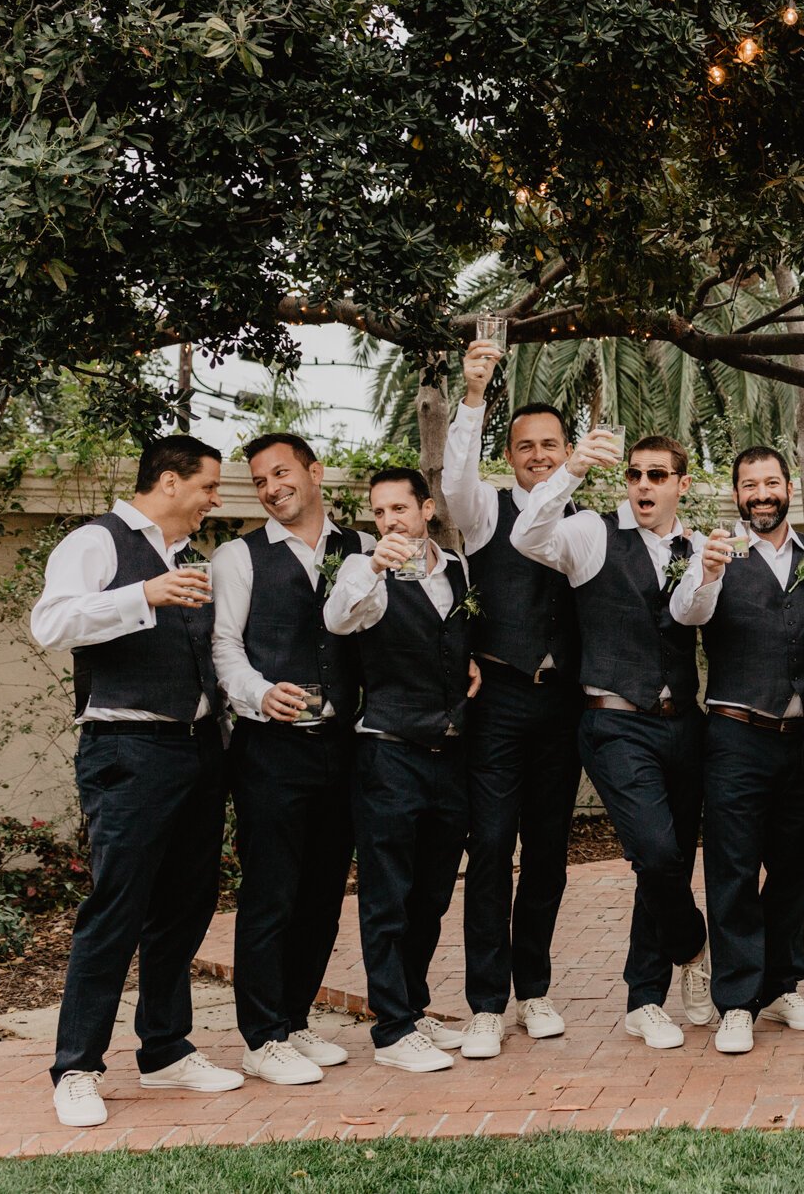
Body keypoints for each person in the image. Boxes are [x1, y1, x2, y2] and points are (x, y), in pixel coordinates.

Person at [30, 435, 238, 1127]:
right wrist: (141, 593)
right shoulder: (98, 543)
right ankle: (77, 1067)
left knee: (186, 903)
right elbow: (51, 621)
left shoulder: (189, 560)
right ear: (171, 481)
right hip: (128, 746)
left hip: (198, 748)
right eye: (209, 486)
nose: (215, 499)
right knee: (117, 906)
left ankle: (166, 1051)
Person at [511, 430, 723, 1049]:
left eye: (658, 476)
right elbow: (527, 535)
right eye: (635, 475)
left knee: (673, 862)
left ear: (682, 484)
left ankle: (644, 999)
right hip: (613, 722)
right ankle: (692, 942)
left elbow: (694, 615)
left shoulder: (700, 545)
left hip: (683, 723)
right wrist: (572, 469)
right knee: (654, 854)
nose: (644, 486)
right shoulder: (591, 534)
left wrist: (707, 574)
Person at [212, 433, 372, 1086]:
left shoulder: (359, 549)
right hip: (270, 749)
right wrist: (258, 691)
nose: (273, 487)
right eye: (260, 480)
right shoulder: (238, 556)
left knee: (325, 891)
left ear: (314, 471)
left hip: (344, 746)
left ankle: (295, 1017)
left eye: (282, 472)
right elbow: (224, 648)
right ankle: (260, 1034)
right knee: (271, 891)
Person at [442, 340, 583, 1059]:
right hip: (497, 697)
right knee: (493, 846)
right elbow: (453, 475)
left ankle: (535, 989)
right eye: (525, 445)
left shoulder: (587, 520)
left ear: (567, 449)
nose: (537, 454)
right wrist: (473, 395)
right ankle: (486, 1002)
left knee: (550, 853)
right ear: (509, 451)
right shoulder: (483, 511)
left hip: (563, 706)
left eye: (549, 444)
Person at [324, 468, 482, 1073]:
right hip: (389, 753)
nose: (390, 520)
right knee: (387, 897)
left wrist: (473, 666)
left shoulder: (458, 570)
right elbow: (338, 620)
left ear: (427, 508)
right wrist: (373, 566)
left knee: (433, 894)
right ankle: (391, 1031)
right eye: (379, 511)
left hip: (450, 756)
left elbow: (458, 639)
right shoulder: (363, 571)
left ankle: (413, 1010)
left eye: (399, 508)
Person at [678, 447, 804, 1055]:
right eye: (750, 485)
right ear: (735, 493)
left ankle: (778, 983)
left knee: (799, 865)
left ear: (789, 488)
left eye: (771, 483)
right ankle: (738, 1002)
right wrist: (708, 573)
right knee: (734, 868)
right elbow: (685, 610)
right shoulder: (712, 553)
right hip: (736, 734)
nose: (762, 494)